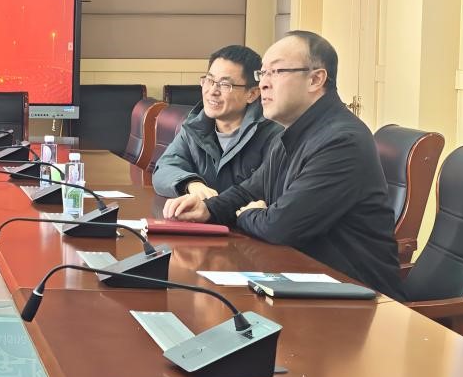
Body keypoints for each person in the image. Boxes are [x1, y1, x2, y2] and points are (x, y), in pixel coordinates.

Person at [162, 30, 404, 299]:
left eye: (275, 72)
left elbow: (279, 227)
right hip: (302, 281)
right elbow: (249, 191)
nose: (264, 84)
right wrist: (207, 209)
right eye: (262, 73)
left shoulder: (342, 141)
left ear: (315, 79)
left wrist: (247, 215)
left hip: (354, 297)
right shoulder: (292, 132)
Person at [152, 44, 281, 198]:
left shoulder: (274, 135)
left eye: (225, 85)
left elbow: (272, 193)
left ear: (252, 94)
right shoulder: (195, 127)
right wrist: (191, 184)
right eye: (209, 80)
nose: (213, 91)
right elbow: (164, 168)